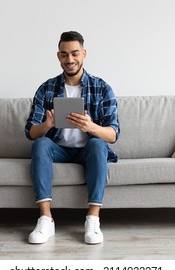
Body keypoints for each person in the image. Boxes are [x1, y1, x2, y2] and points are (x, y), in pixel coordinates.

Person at [25, 31, 120, 244]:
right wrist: (47, 125)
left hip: (88, 151)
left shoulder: (101, 87)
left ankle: (93, 220)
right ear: (58, 56)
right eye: (64, 54)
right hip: (58, 150)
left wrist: (91, 126)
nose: (70, 60)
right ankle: (45, 219)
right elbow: (30, 132)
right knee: (41, 143)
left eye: (75, 53)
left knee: (97, 143)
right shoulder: (47, 88)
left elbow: (113, 134)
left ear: (84, 54)